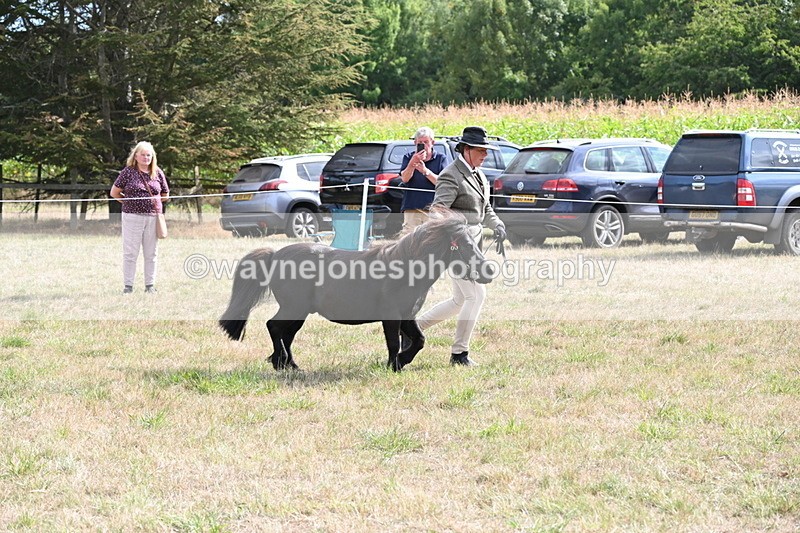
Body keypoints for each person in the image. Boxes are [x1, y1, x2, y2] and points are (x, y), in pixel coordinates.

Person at [415, 126, 506, 366]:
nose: (485, 155)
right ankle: (459, 354)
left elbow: (485, 209)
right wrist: (458, 234)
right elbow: (438, 211)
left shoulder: (480, 174)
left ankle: (413, 328)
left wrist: (496, 224)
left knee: (458, 301)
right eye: (481, 150)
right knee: (476, 295)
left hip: (474, 245)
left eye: (486, 150)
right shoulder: (451, 175)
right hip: (456, 247)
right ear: (466, 150)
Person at [110, 141, 170, 294]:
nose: (146, 157)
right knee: (130, 252)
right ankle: (128, 286)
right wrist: (130, 203)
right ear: (135, 156)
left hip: (152, 217)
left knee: (151, 253)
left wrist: (153, 203)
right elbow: (114, 193)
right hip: (132, 217)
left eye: (148, 155)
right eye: (142, 154)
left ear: (152, 157)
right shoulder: (128, 172)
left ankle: (150, 285)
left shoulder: (157, 172)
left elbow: (165, 194)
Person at [398, 126, 449, 231]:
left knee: (432, 237)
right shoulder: (408, 157)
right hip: (412, 206)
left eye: (426, 142)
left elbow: (443, 183)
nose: (424, 145)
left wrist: (426, 171)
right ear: (415, 143)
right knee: (409, 237)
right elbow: (405, 179)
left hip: (433, 208)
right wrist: (412, 163)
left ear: (432, 142)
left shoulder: (441, 159)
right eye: (420, 143)